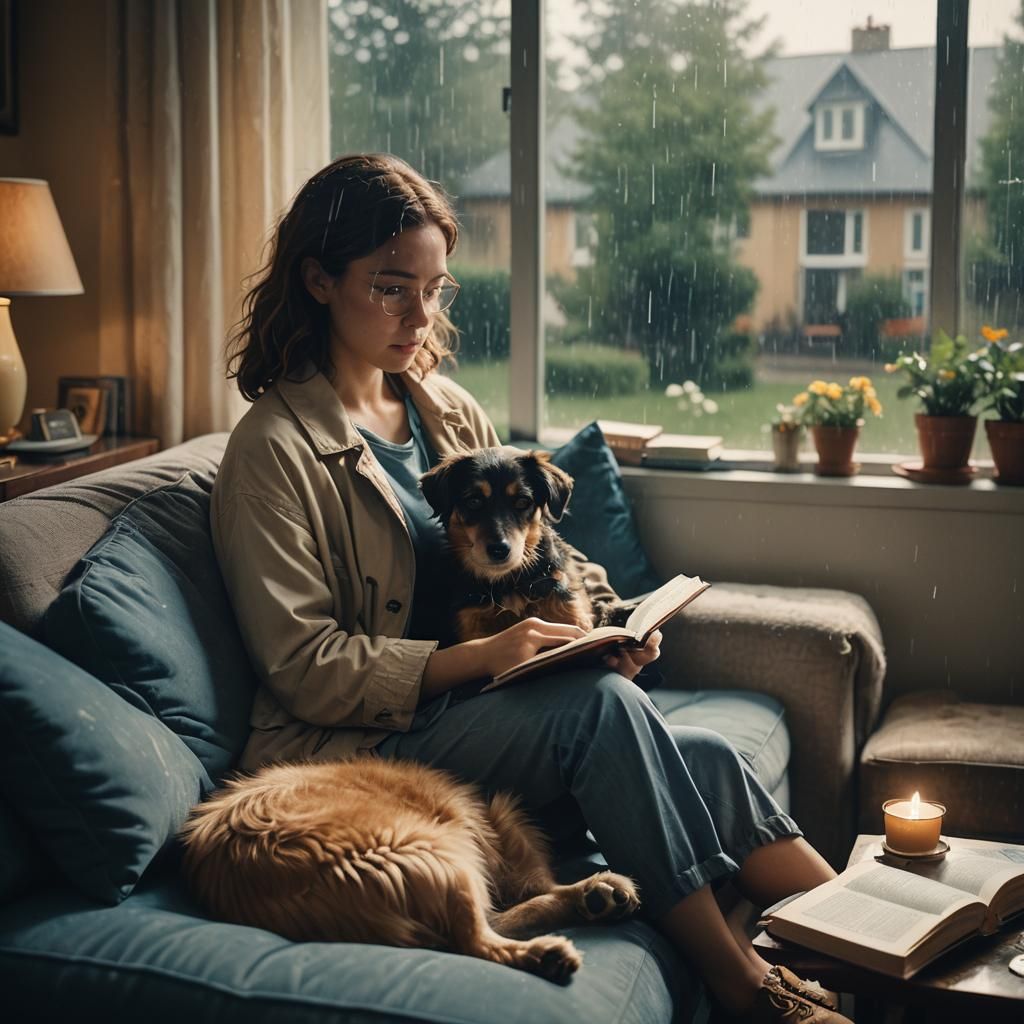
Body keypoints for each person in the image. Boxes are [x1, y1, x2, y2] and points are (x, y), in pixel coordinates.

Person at [211, 152, 850, 1023]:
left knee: (708, 759)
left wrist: (613, 623)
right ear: (319, 280)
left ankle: (872, 948)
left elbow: (550, 552)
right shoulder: (271, 452)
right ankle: (744, 987)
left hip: (483, 710)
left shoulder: (446, 410)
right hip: (353, 750)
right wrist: (486, 656)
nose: (420, 313)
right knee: (601, 712)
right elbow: (304, 665)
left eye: (436, 288)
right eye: (392, 287)